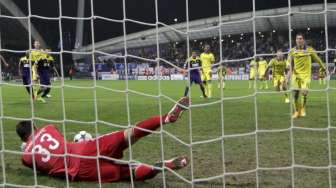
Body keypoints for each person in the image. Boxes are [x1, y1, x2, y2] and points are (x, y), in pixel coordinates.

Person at [17, 97, 190, 183]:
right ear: (34, 127)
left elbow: (40, 168)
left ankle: (164, 166)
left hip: (78, 172)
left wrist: (27, 147)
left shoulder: (25, 157)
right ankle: (166, 118)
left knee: (128, 173)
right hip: (84, 149)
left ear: (23, 137)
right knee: (128, 135)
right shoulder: (48, 128)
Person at [287, 33, 326, 118]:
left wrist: (323, 67)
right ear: (295, 40)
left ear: (303, 40)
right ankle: (297, 112)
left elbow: (317, 59)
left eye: (300, 38)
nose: (299, 40)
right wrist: (288, 75)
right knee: (295, 94)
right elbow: (289, 63)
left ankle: (303, 108)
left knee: (304, 91)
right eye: (297, 39)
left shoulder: (309, 50)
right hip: (296, 75)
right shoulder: (292, 51)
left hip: (306, 75)